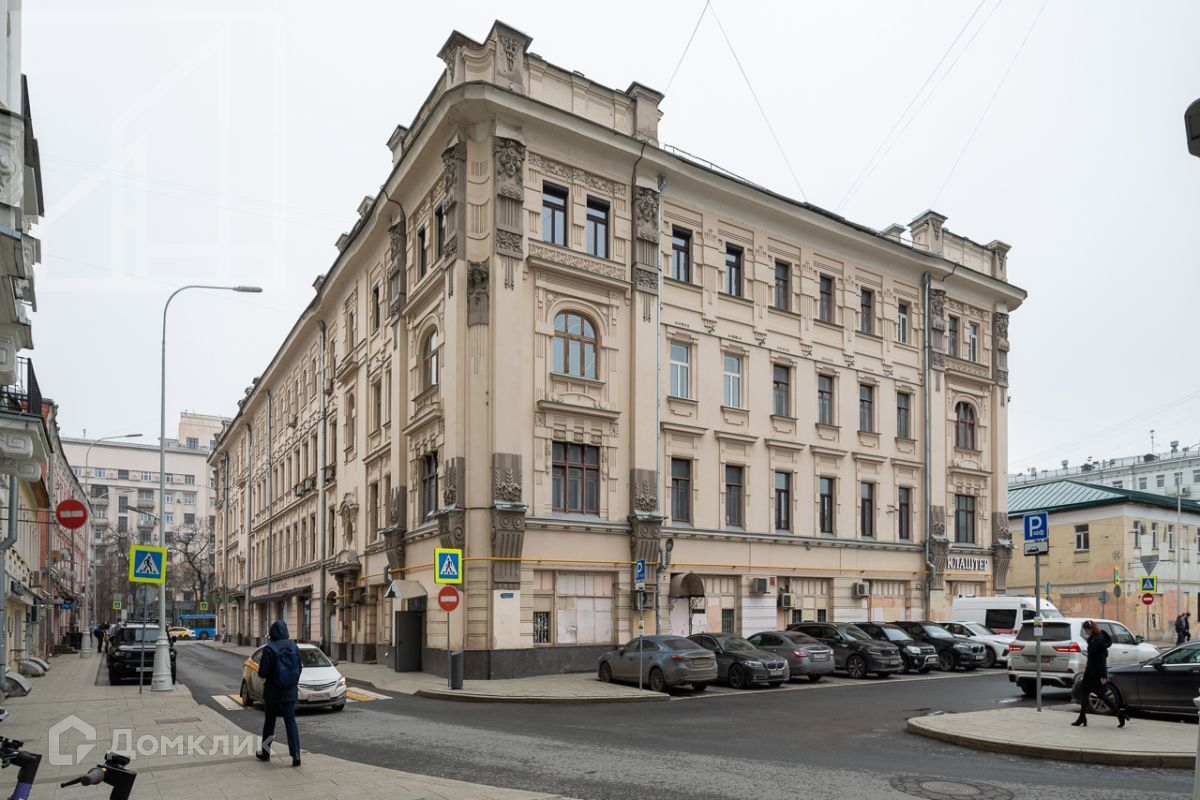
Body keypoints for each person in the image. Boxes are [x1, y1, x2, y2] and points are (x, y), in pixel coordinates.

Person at [255, 620, 302, 767]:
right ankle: (296, 754)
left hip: (272, 692)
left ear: (272, 633)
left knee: (269, 723)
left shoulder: (269, 649)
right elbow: (299, 668)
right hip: (290, 692)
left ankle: (265, 753)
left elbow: (262, 672)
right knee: (291, 722)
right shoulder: (294, 647)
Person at [1073, 619, 1127, 728]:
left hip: (1096, 674)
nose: (1086, 632)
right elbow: (1094, 656)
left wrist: (1103, 676)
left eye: (1086, 630)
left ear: (1091, 629)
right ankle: (1082, 717)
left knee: (1101, 696)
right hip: (1090, 672)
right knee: (1085, 693)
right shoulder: (1094, 639)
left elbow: (1101, 661)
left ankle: (1120, 714)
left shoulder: (1099, 641)